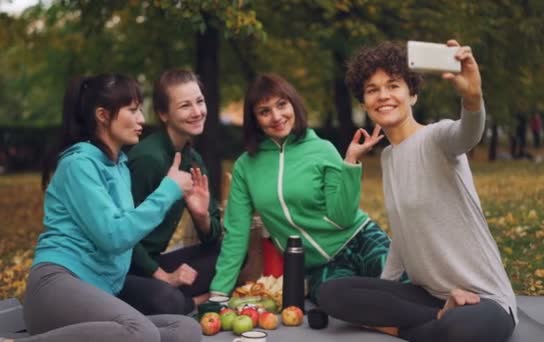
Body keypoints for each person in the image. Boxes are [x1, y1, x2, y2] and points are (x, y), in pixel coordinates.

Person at [317, 40, 516, 342]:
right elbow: (402, 232)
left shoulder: (437, 138)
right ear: (364, 104)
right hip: (427, 296)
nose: (383, 95)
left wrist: (473, 98)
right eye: (372, 89)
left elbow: (468, 132)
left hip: (484, 299)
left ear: (412, 94)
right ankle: (434, 319)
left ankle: (405, 329)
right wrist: (384, 290)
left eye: (393, 85)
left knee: (461, 329)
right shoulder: (388, 157)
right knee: (330, 292)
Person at [0, 74, 201, 342]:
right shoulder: (78, 165)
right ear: (102, 115)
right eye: (133, 110)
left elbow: (127, 229)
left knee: (186, 329)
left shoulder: (118, 166)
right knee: (140, 333)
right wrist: (168, 190)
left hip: (101, 289)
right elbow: (114, 235)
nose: (142, 119)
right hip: (56, 287)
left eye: (141, 109)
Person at [209, 73, 392, 303]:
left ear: (293, 104)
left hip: (360, 239)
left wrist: (351, 162)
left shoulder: (323, 149)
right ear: (255, 119)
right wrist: (219, 292)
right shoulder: (245, 167)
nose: (276, 116)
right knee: (340, 301)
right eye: (264, 111)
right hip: (316, 265)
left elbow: (343, 217)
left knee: (401, 285)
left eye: (281, 104)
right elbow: (236, 232)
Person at [125, 69, 222, 315]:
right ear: (163, 114)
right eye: (185, 106)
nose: (197, 112)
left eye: (199, 101)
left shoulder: (194, 160)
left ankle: (175, 298)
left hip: (154, 262)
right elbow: (121, 235)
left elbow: (212, 238)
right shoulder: (148, 159)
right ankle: (195, 301)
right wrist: (165, 277)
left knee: (229, 252)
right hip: (125, 268)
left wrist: (202, 218)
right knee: (165, 300)